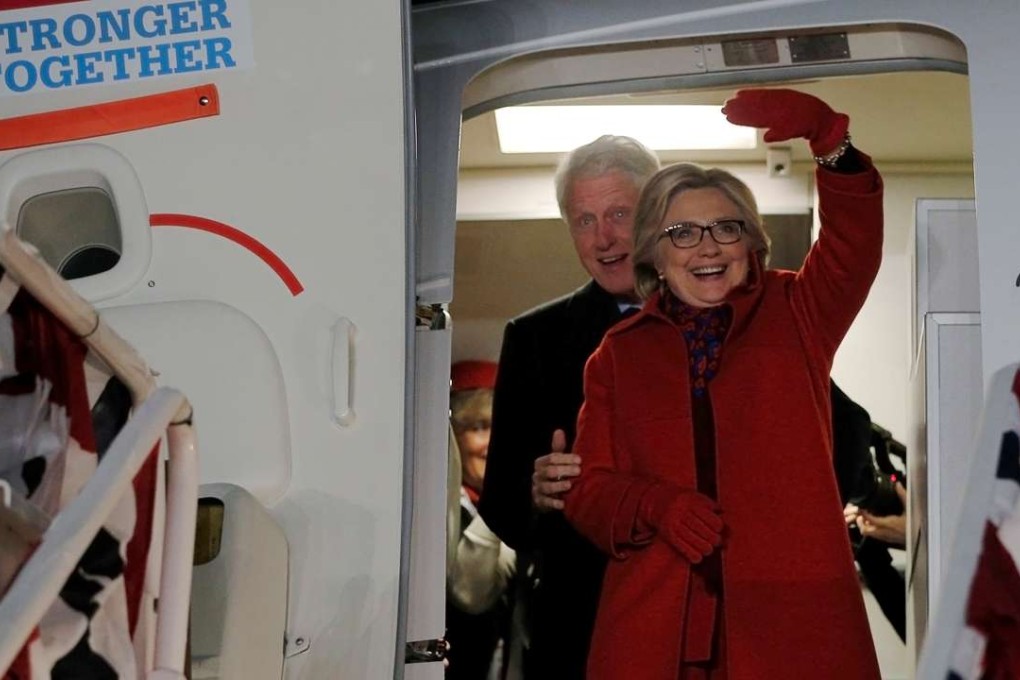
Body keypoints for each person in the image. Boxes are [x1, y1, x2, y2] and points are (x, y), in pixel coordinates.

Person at [562, 88, 884, 678]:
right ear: (655, 256)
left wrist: (830, 141)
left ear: (752, 243)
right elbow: (588, 492)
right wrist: (655, 505)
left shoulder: (797, 312)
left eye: (725, 228)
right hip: (657, 630)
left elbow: (852, 245)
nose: (707, 245)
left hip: (790, 625)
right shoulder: (617, 357)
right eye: (682, 232)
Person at [479, 135, 660, 678]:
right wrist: (535, 494)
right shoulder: (534, 338)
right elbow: (500, 507)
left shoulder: (724, 316)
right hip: (581, 625)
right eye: (583, 221)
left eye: (619, 214)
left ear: (655, 214)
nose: (603, 238)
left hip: (704, 613)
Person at [446, 360, 516, 680]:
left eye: (502, 427)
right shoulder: (438, 511)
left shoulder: (525, 502)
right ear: (453, 439)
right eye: (479, 427)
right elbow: (470, 597)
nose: (494, 443)